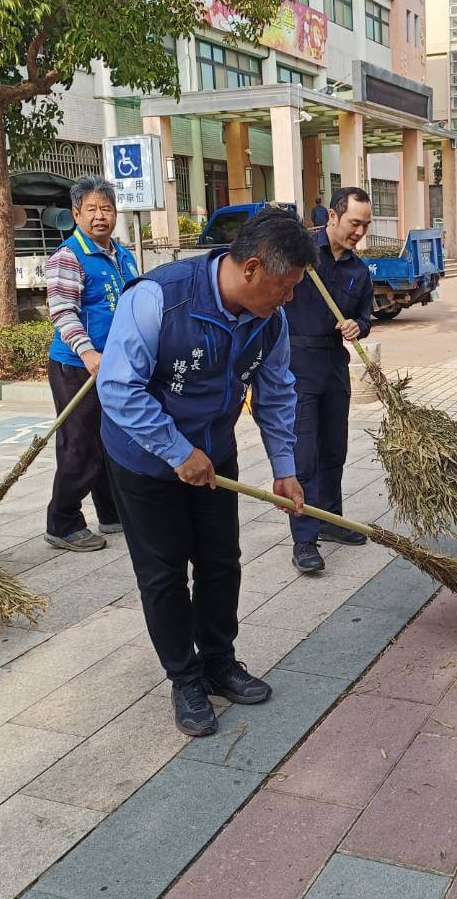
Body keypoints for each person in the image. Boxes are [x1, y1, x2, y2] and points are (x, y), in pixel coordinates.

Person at [99, 207, 313, 736]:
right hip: (145, 460)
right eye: (285, 287)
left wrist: (284, 466)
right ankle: (185, 677)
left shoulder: (271, 321)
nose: (289, 300)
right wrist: (175, 450)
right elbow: (118, 389)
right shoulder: (157, 299)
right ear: (253, 269)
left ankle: (219, 662)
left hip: (214, 455)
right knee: (164, 574)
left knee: (221, 562)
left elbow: (277, 389)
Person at [44, 175, 139, 552]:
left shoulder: (124, 255)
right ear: (76, 213)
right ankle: (63, 522)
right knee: (79, 445)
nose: (101, 216)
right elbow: (63, 311)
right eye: (92, 210)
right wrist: (87, 352)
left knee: (112, 440)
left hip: (115, 366)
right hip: (76, 366)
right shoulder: (68, 257)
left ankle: (111, 513)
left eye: (107, 209)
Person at [287, 187, 373, 575]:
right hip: (296, 361)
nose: (359, 231)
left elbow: (367, 317)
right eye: (355, 223)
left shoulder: (358, 270)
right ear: (333, 217)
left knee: (334, 448)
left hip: (335, 363)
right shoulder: (301, 252)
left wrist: (360, 325)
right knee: (304, 453)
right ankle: (304, 539)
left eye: (365, 225)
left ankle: (330, 520)